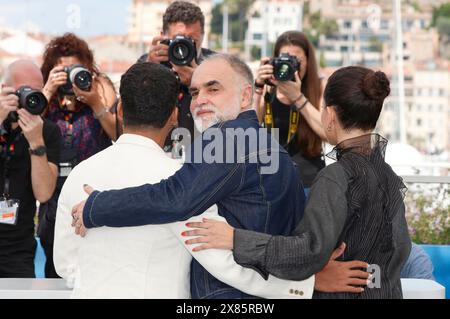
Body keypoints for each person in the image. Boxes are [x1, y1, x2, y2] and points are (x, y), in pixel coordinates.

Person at [54, 62, 321, 299]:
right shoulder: (181, 172)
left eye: (213, 89)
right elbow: (223, 264)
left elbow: (64, 264)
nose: (200, 100)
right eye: (194, 92)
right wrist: (301, 287)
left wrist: (96, 209)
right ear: (174, 115)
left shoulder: (81, 174)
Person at [183, 66, 412, 299]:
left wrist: (234, 239)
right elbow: (400, 247)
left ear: (330, 115)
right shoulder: (388, 176)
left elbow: (305, 253)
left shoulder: (336, 177)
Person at [38, 33, 118, 278]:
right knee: (56, 267)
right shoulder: (45, 98)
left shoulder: (98, 86)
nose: (69, 75)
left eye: (75, 68)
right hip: (54, 197)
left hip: (92, 193)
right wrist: (48, 90)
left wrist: (94, 102)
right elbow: (26, 131)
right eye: (62, 70)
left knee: (97, 268)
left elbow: (117, 132)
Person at [0, 60, 62, 278]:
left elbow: (44, 193)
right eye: (24, 91)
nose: (30, 98)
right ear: (4, 90)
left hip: (18, 248)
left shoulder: (48, 131)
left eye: (37, 92)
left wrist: (36, 144)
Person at [255, 31, 327, 194]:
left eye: (296, 60)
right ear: (274, 61)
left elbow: (327, 132)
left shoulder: (320, 87)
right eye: (284, 59)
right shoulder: (267, 87)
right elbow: (249, 128)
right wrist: (258, 88)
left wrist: (298, 98)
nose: (289, 66)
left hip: (309, 182)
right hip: (270, 181)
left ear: (308, 61)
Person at [138, 1, 215, 147]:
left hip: (203, 152)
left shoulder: (216, 65)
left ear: (203, 37)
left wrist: (199, 83)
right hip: (158, 153)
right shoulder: (147, 63)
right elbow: (132, 109)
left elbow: (230, 112)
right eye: (178, 40)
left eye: (192, 41)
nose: (184, 47)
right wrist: (150, 70)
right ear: (163, 37)